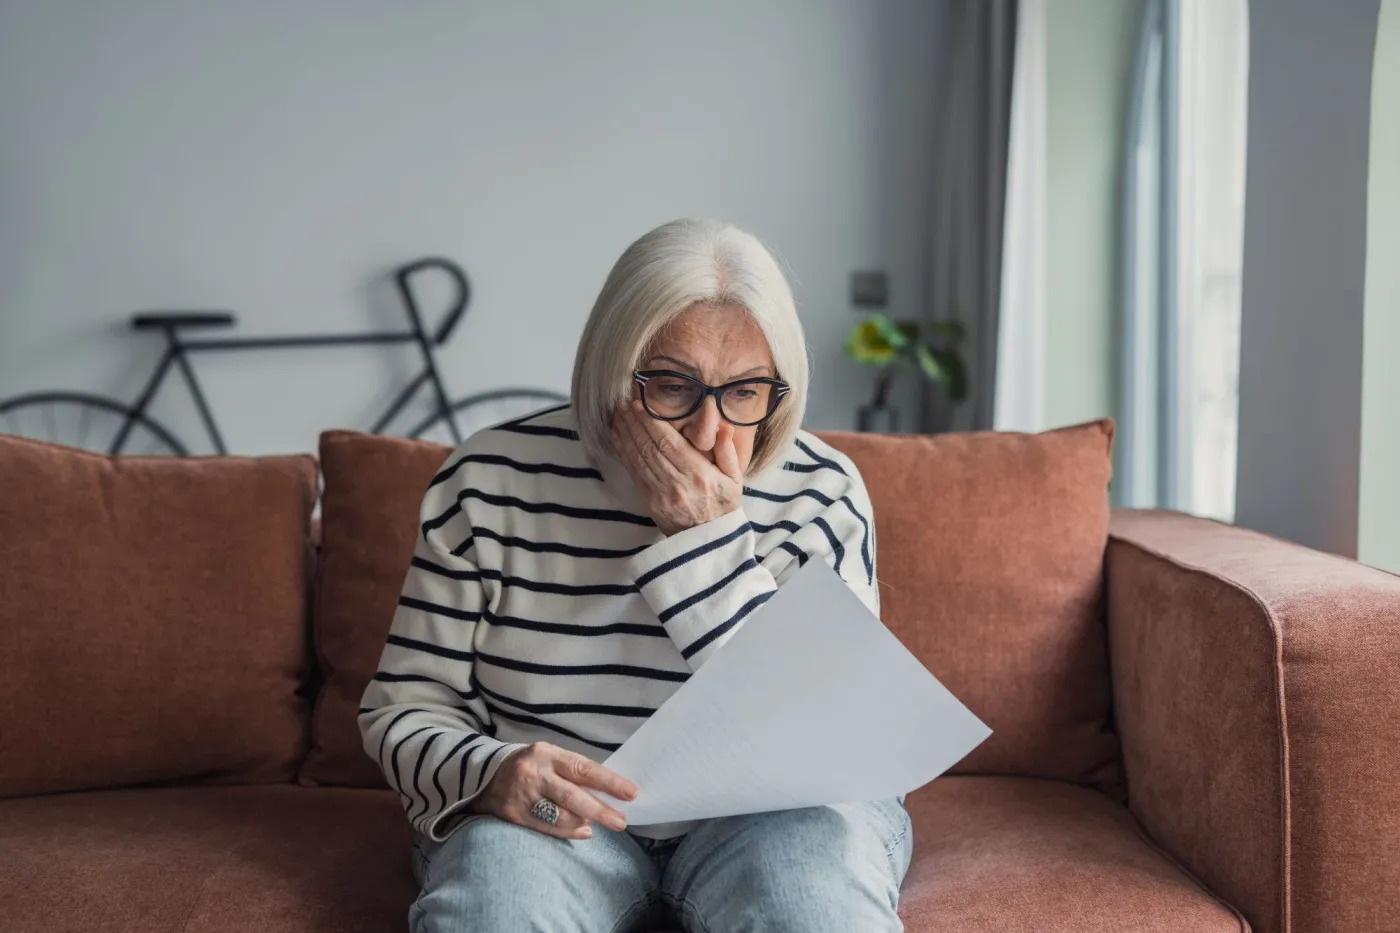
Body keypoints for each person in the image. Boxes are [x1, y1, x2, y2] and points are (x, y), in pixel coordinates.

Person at [359, 218, 912, 932]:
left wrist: (705, 540)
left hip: (776, 811)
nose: (709, 432)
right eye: (673, 387)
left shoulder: (821, 491)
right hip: (560, 821)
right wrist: (493, 773)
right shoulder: (489, 479)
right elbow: (405, 704)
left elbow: (827, 733)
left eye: (745, 391)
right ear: (612, 372)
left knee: (814, 909)